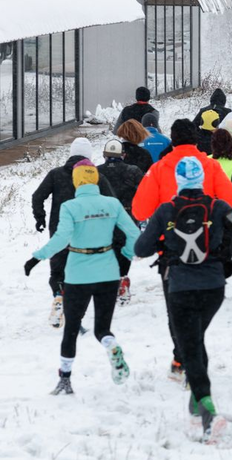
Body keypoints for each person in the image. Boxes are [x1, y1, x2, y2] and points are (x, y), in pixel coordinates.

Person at [134, 157, 232, 441]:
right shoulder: (218, 207)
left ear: (179, 182)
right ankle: (196, 401)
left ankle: (207, 409)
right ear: (202, 180)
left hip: (180, 286)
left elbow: (140, 248)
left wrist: (163, 240)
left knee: (189, 346)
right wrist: (227, 264)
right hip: (214, 287)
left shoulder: (166, 210)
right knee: (195, 340)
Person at [24, 160, 139, 394]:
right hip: (108, 272)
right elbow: (134, 233)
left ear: (77, 181)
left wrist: (37, 257)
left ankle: (65, 379)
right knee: (102, 329)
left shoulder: (70, 207)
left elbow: (61, 238)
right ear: (96, 179)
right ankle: (111, 345)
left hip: (77, 274)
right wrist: (126, 254)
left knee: (72, 329)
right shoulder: (112, 204)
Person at [32, 137, 116, 328]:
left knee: (58, 269)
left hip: (59, 230)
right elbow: (112, 200)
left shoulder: (55, 175)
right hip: (87, 233)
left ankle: (59, 295)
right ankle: (75, 312)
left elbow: (37, 196)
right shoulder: (96, 177)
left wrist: (40, 218)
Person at [97, 139, 143, 306]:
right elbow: (144, 191)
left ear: (104, 155)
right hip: (127, 215)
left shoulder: (97, 172)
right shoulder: (133, 171)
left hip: (103, 217)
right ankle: (123, 278)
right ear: (123, 155)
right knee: (124, 249)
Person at [193, 89, 231, 154]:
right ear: (224, 101)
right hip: (219, 143)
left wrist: (199, 134)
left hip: (202, 142)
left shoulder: (203, 110)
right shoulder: (227, 112)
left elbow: (193, 125)